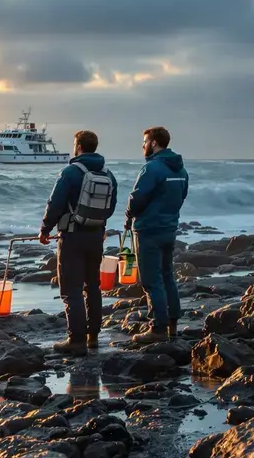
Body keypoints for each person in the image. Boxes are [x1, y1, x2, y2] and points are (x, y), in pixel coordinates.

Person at [39, 130, 118, 355]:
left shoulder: (70, 172)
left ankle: (76, 340)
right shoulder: (108, 174)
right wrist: (99, 226)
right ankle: (93, 337)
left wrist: (45, 229)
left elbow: (55, 203)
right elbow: (110, 207)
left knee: (71, 289)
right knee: (92, 286)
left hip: (72, 236)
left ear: (79, 146)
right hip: (96, 236)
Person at [125, 126, 189, 343]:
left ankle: (158, 328)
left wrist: (129, 213)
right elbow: (182, 196)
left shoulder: (152, 168)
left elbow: (137, 198)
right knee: (167, 275)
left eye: (145, 141)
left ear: (153, 143)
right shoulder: (181, 171)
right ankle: (172, 325)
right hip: (169, 228)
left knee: (152, 280)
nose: (142, 145)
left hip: (149, 230)